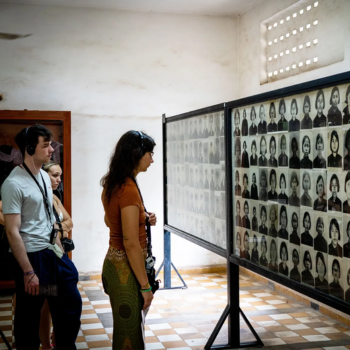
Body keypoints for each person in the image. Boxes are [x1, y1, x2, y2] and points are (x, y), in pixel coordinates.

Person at [1, 124, 82, 349]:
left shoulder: (44, 178)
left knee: (68, 301)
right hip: (32, 259)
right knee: (29, 316)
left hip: (52, 255)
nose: (51, 150)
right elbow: (12, 231)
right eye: (45, 146)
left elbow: (49, 219)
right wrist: (28, 272)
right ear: (29, 148)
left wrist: (60, 251)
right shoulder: (13, 183)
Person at [101, 130, 157, 349]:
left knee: (128, 330)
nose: (152, 159)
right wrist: (145, 286)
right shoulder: (128, 189)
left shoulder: (114, 183)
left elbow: (109, 220)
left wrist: (141, 217)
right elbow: (130, 243)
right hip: (126, 268)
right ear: (136, 154)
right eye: (149, 154)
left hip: (117, 265)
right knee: (130, 337)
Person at [40, 162, 74, 349]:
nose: (58, 179)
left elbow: (70, 222)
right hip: (44, 257)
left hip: (60, 255)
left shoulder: (54, 198)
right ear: (43, 175)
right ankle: (46, 344)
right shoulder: (34, 196)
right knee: (46, 302)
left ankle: (56, 337)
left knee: (60, 299)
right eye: (54, 175)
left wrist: (56, 229)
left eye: (60, 175)